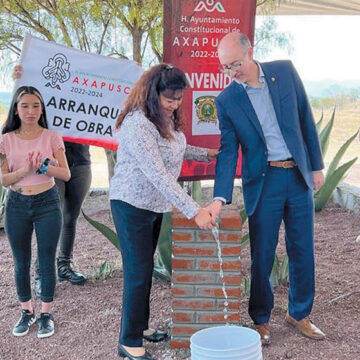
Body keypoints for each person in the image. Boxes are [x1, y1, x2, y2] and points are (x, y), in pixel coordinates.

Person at [206, 32, 326, 345]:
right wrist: (220, 197)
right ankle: (260, 319)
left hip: (297, 176)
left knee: (302, 250)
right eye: (225, 68)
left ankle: (299, 314)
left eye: (235, 64)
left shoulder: (284, 71)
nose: (232, 72)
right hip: (264, 183)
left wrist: (316, 166)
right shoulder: (227, 100)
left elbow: (304, 117)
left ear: (250, 52)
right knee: (262, 255)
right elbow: (229, 150)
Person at [109, 64, 217, 360]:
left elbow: (173, 148)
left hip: (153, 205)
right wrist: (194, 210)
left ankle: (139, 328)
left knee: (144, 270)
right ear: (151, 92)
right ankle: (129, 342)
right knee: (138, 272)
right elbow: (158, 173)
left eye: (178, 99)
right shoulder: (138, 123)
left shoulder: (165, 119)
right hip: (130, 205)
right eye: (168, 99)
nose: (173, 104)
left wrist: (205, 154)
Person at [0, 86, 71, 338]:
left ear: (42, 109)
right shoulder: (6, 139)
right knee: (21, 261)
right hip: (17, 205)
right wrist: (23, 171)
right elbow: (4, 180)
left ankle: (45, 314)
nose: (31, 111)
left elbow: (65, 173)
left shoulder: (52, 136)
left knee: (46, 259)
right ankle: (26, 311)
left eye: (36, 106)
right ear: (16, 109)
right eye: (25, 106)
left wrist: (44, 167)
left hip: (47, 203)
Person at [13, 65, 90, 295]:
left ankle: (64, 266)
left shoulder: (85, 95)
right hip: (51, 164)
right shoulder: (45, 97)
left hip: (81, 162)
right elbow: (23, 106)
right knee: (48, 221)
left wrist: (130, 73)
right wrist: (18, 79)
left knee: (70, 217)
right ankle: (40, 274)